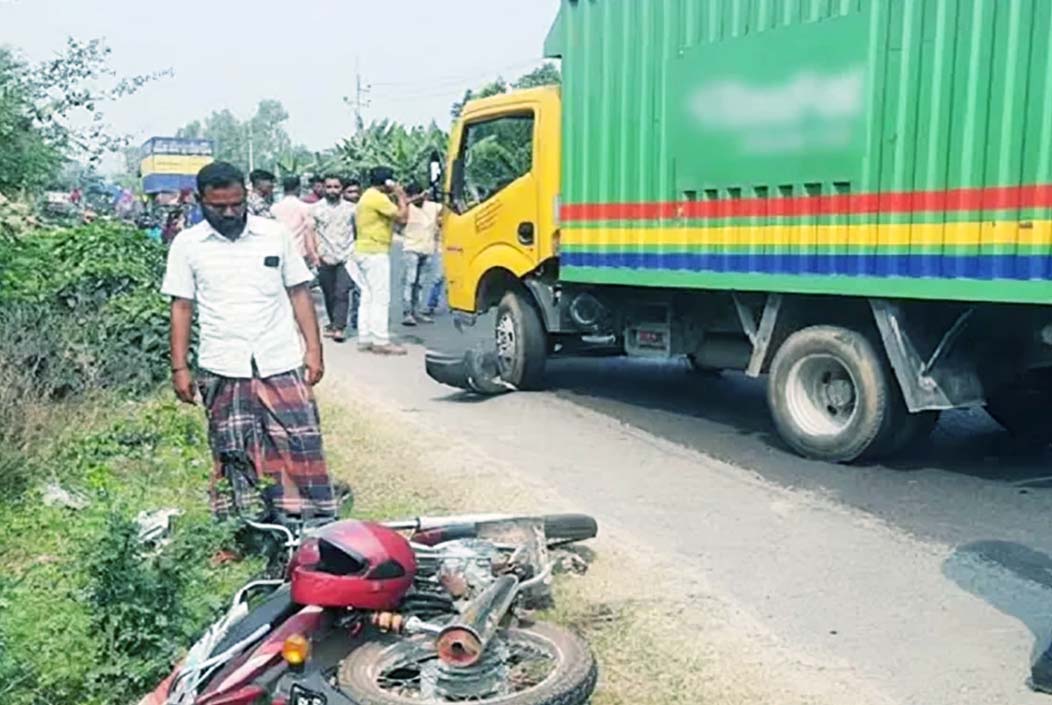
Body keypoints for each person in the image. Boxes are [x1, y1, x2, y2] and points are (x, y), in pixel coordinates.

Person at [162, 161, 335, 519]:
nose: (230, 212)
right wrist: (179, 367)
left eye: (237, 204)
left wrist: (314, 351)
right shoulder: (187, 244)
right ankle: (242, 526)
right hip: (223, 362)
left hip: (280, 359)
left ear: (247, 196)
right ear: (200, 201)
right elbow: (181, 306)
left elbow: (299, 293)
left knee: (300, 442)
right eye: (219, 206)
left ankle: (308, 521)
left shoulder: (275, 234)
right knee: (232, 449)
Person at [352, 166, 409, 355]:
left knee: (368, 296)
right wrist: (401, 194)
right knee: (381, 297)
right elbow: (402, 217)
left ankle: (365, 337)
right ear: (387, 182)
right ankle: (381, 340)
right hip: (375, 252)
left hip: (363, 249)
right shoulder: (377, 198)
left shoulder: (368, 196)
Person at [310, 175, 358, 342]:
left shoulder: (352, 209)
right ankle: (333, 323)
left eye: (336, 187)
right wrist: (314, 255)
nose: (332, 190)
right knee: (329, 293)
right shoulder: (315, 209)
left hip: (347, 256)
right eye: (329, 187)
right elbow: (310, 233)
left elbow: (358, 232)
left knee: (342, 292)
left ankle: (339, 327)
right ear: (324, 188)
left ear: (341, 189)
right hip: (325, 257)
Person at [400, 184, 442, 326]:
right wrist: (415, 198)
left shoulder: (433, 206)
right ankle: (407, 313)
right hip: (411, 248)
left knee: (420, 283)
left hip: (428, 249)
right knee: (410, 282)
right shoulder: (407, 207)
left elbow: (447, 211)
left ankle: (416, 311)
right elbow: (400, 212)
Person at [272, 175, 319, 266]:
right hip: (300, 253)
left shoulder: (274, 208)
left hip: (281, 251)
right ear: (298, 188)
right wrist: (313, 255)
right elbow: (309, 232)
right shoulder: (305, 208)